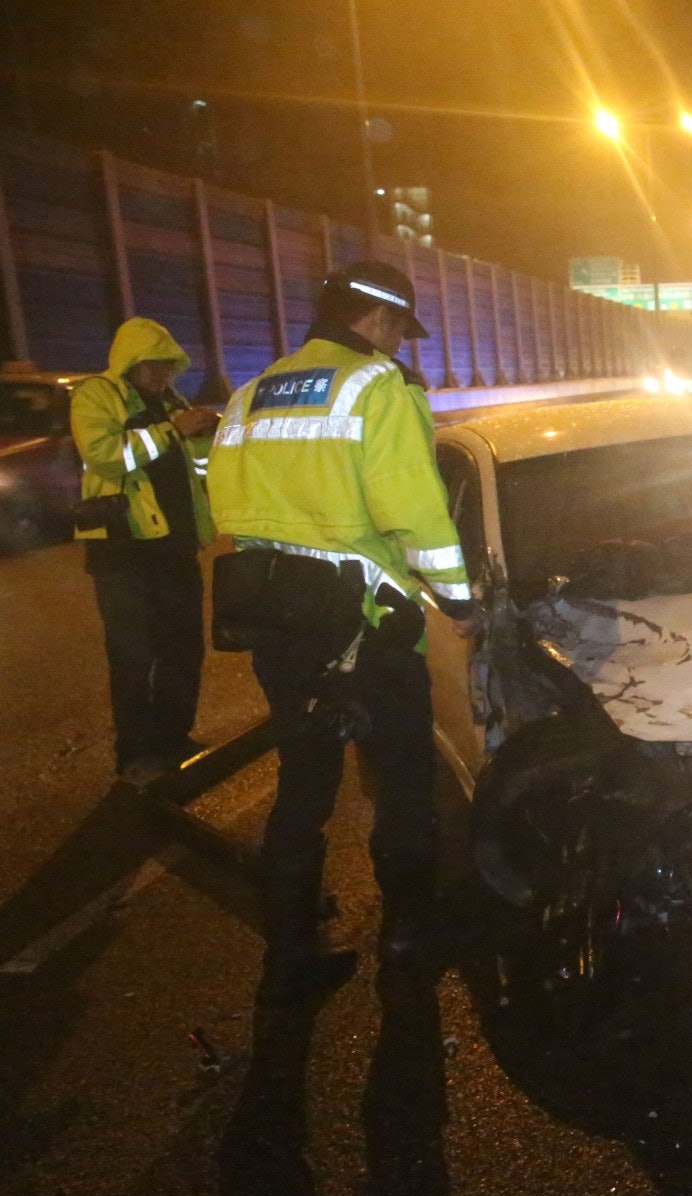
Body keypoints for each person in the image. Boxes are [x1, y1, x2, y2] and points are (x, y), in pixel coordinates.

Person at [207, 261, 472, 1005]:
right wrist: (459, 600)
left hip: (279, 623)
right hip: (371, 624)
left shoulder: (249, 394)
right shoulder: (375, 388)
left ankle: (292, 948)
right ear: (378, 320)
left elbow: (219, 503)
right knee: (402, 786)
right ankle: (408, 941)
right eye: (396, 329)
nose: (395, 344)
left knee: (303, 782)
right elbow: (415, 513)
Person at [69, 318, 220, 783]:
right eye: (153, 366)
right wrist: (172, 429)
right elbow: (106, 454)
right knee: (133, 655)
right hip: (123, 550)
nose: (162, 376)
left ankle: (174, 738)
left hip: (175, 546)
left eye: (168, 367)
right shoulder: (97, 395)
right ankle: (135, 753)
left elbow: (197, 469)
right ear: (130, 363)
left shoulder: (172, 402)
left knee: (183, 650)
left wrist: (201, 438)